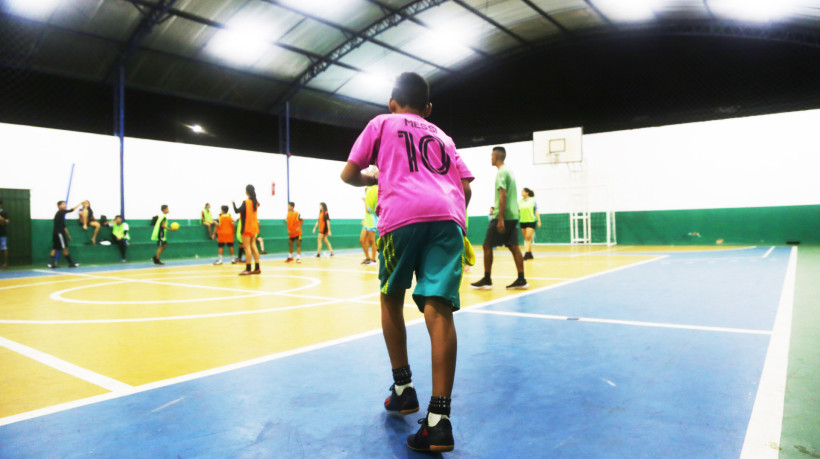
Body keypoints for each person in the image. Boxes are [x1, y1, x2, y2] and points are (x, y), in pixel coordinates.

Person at [341, 72, 474, 453]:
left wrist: (372, 179)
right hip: (448, 218)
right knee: (439, 310)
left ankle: (403, 389)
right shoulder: (443, 136)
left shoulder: (382, 123)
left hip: (402, 216)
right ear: (429, 108)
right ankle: (439, 420)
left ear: (392, 102)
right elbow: (465, 187)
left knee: (391, 297)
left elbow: (349, 172)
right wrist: (454, 220)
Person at [471, 146, 529, 290]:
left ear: (496, 157)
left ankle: (487, 278)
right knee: (513, 246)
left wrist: (500, 218)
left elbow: (503, 195)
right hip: (513, 214)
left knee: (487, 245)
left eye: (491, 156)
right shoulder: (509, 171)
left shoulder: (502, 173)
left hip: (504, 215)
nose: (491, 158)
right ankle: (521, 279)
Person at [233, 184, 261, 275]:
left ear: (246, 192)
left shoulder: (246, 202)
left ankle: (248, 268)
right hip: (254, 227)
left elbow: (237, 211)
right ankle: (257, 268)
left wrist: (233, 203)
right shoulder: (256, 202)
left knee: (247, 247)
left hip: (246, 227)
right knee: (254, 246)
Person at [48, 201, 81, 268]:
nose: (65, 205)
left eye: (65, 204)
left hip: (56, 233)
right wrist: (80, 204)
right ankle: (70, 263)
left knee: (55, 248)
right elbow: (71, 210)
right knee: (64, 248)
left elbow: (63, 226)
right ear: (59, 206)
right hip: (59, 234)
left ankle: (51, 264)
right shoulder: (61, 212)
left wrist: (68, 235)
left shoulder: (60, 215)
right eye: (63, 204)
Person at [519, 188, 541, 260]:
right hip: (522, 221)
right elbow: (518, 212)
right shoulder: (520, 201)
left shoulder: (532, 200)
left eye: (523, 191)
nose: (521, 192)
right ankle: (530, 254)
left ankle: (526, 254)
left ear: (527, 192)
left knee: (528, 238)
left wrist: (539, 221)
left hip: (531, 221)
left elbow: (536, 211)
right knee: (527, 239)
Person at [360, 183, 378, 265]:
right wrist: (364, 220)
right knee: (362, 240)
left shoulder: (371, 200)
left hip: (372, 221)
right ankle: (367, 257)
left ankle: (373, 260)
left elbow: (369, 210)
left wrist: (365, 202)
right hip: (366, 221)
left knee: (371, 240)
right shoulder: (367, 200)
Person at [0, 200, 8, 269]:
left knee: (4, 248)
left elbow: (7, 221)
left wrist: (2, 219)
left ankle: (5, 263)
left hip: (2, 233)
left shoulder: (4, 213)